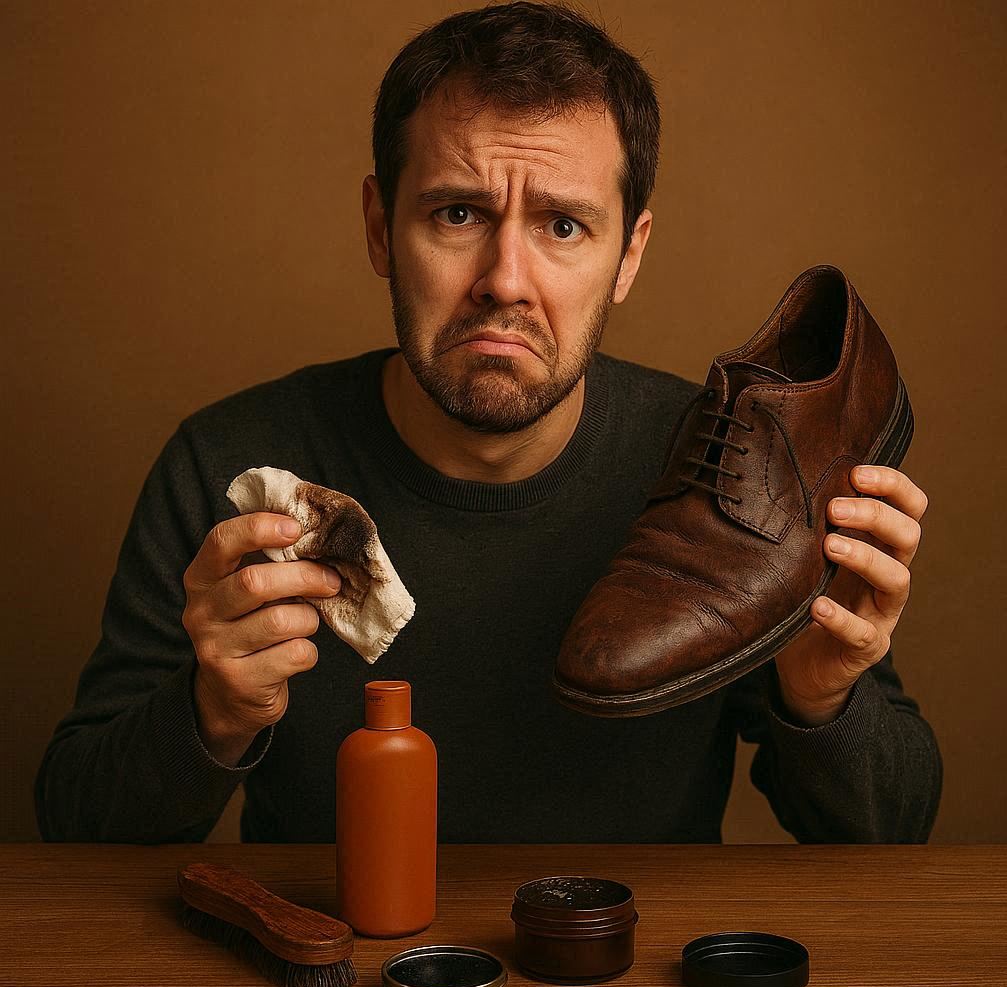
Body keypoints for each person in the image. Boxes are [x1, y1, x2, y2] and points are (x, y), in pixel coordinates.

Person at [35, 1, 941, 845]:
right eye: (458, 213)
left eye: (562, 226)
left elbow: (894, 832)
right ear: (381, 229)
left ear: (629, 255)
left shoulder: (727, 473)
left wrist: (822, 699)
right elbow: (74, 826)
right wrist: (212, 712)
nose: (506, 279)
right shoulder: (227, 466)